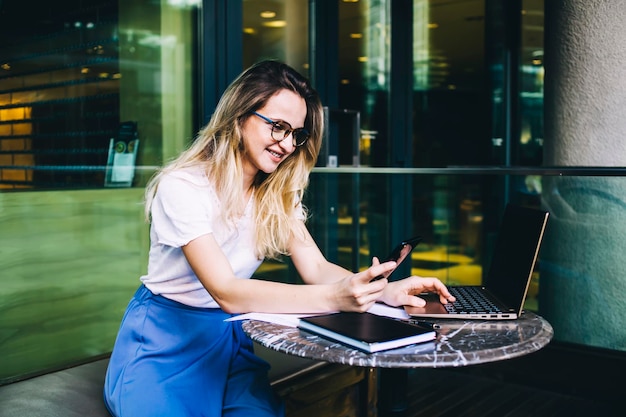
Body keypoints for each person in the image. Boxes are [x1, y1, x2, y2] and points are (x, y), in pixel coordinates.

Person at [103, 60, 455, 417]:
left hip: (227, 338)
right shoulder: (182, 185)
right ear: (240, 115)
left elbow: (316, 267)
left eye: (296, 134)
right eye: (278, 127)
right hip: (165, 339)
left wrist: (383, 291)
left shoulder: (276, 193)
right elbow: (226, 290)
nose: (287, 144)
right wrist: (336, 296)